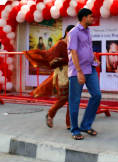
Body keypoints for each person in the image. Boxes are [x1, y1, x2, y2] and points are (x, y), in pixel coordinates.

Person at [26, 25, 74, 129]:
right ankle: (50, 114)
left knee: (73, 99)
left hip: (73, 73)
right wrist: (67, 60)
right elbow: (53, 61)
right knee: (63, 98)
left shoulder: (75, 44)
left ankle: (70, 123)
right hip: (62, 75)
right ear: (67, 32)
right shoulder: (60, 44)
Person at [68, 8, 101, 140]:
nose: (93, 19)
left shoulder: (88, 31)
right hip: (78, 71)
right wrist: (79, 72)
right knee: (75, 101)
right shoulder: (74, 32)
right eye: (91, 17)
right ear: (84, 18)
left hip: (90, 68)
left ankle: (86, 125)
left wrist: (94, 58)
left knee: (97, 95)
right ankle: (75, 130)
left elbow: (88, 48)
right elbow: (74, 52)